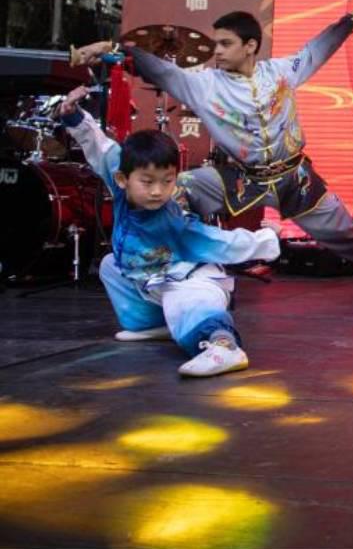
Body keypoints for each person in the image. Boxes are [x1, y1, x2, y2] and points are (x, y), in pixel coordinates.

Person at [75, 1, 353, 289]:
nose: (217, 51)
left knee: (346, 232)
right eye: (216, 44)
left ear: (250, 46)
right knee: (177, 187)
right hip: (241, 178)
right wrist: (112, 49)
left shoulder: (282, 72)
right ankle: (177, 260)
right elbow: (161, 71)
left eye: (225, 44)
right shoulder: (204, 85)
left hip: (294, 178)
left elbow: (319, 49)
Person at [56, 86, 280, 378]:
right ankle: (153, 324)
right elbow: (102, 147)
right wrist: (74, 117)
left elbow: (220, 242)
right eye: (148, 182)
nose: (158, 191)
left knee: (190, 309)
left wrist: (267, 239)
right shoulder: (120, 175)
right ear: (123, 179)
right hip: (153, 277)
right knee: (111, 265)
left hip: (190, 280)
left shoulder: (171, 221)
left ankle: (224, 347)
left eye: (167, 181)